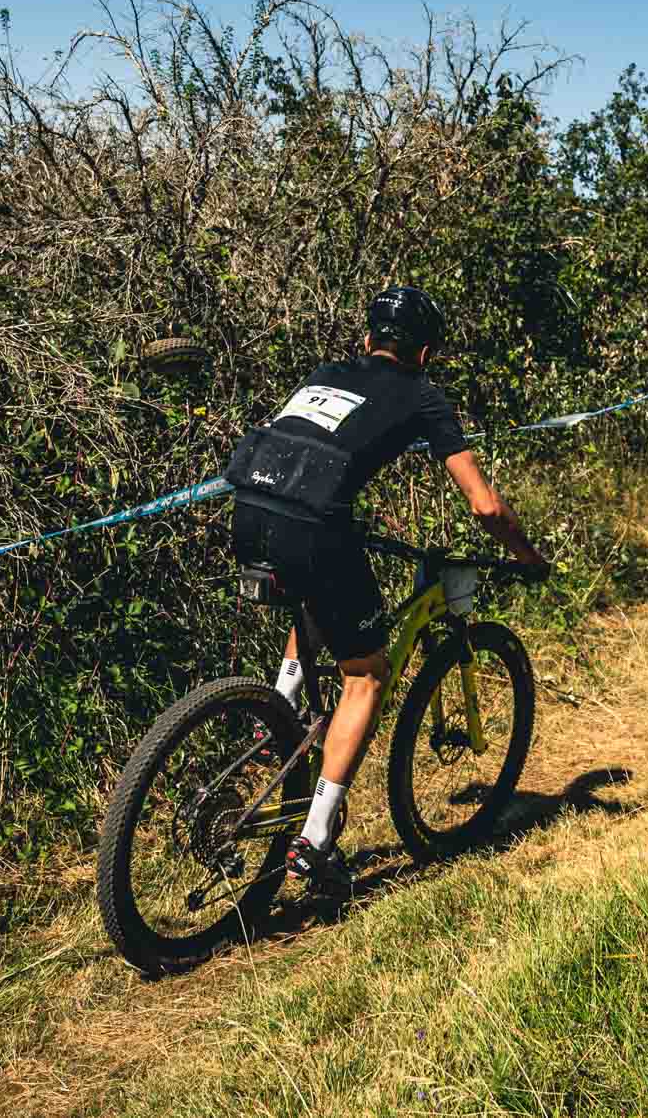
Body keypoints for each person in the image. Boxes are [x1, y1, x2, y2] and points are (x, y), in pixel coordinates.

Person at [224, 285, 549, 895]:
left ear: (368, 337)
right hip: (315, 527)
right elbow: (484, 505)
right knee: (367, 674)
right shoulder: (423, 395)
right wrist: (528, 557)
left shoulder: (326, 372)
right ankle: (315, 842)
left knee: (314, 594)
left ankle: (277, 714)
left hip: (248, 510)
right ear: (425, 353)